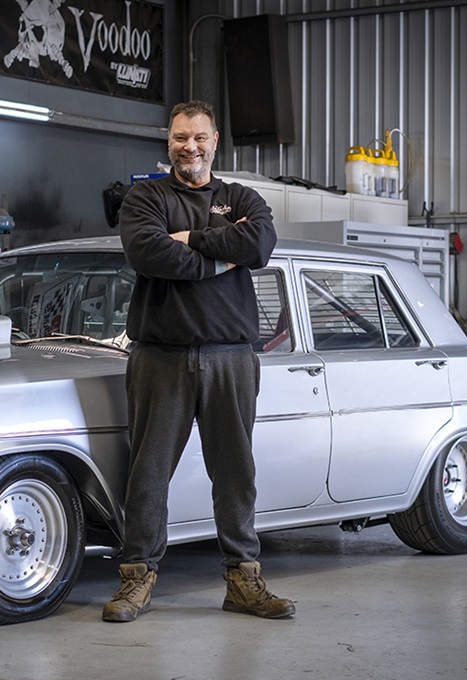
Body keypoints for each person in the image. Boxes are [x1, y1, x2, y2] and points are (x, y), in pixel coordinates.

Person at [102, 100, 295, 623]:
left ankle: (243, 579)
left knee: (235, 473)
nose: (190, 146)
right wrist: (224, 255)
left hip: (232, 356)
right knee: (147, 474)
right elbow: (148, 253)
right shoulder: (146, 197)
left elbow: (261, 241)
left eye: (200, 137)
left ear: (215, 142)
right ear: (169, 142)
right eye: (180, 137)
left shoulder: (239, 197)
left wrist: (194, 242)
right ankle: (136, 578)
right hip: (160, 355)